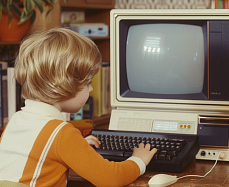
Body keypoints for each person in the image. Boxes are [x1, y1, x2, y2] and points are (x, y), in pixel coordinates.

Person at [0, 28, 157, 187]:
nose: (91, 89)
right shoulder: (62, 134)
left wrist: (77, 147)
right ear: (64, 85)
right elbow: (111, 178)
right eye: (87, 83)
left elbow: (39, 154)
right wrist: (138, 160)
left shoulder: (16, 120)